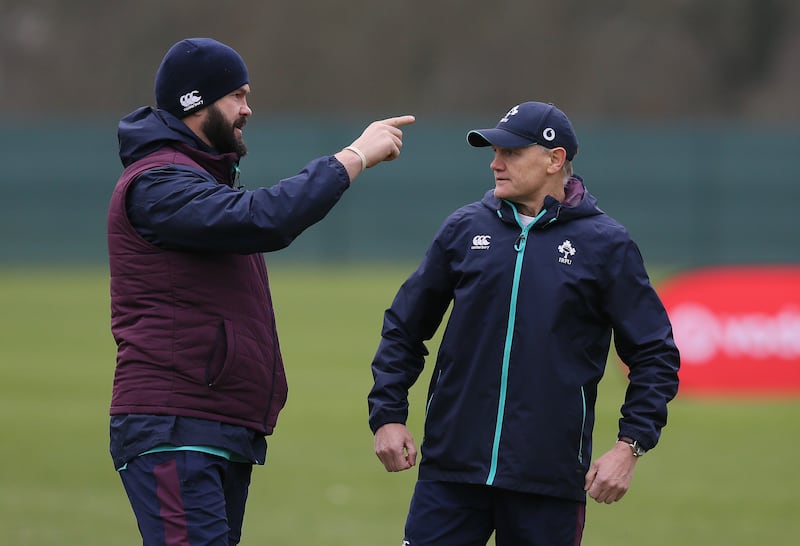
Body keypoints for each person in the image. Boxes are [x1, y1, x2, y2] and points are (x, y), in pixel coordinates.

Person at [107, 37, 414, 545]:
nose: (248, 109)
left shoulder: (200, 180)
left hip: (214, 424)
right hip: (175, 425)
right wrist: (353, 157)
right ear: (194, 101)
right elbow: (265, 218)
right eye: (237, 95)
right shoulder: (158, 183)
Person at [368, 101, 679, 545]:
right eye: (494, 152)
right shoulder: (463, 229)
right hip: (452, 473)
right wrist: (388, 416)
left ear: (555, 159)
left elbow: (654, 354)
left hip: (548, 481)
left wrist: (629, 446)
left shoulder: (606, 244)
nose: (495, 163)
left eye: (511, 153)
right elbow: (404, 326)